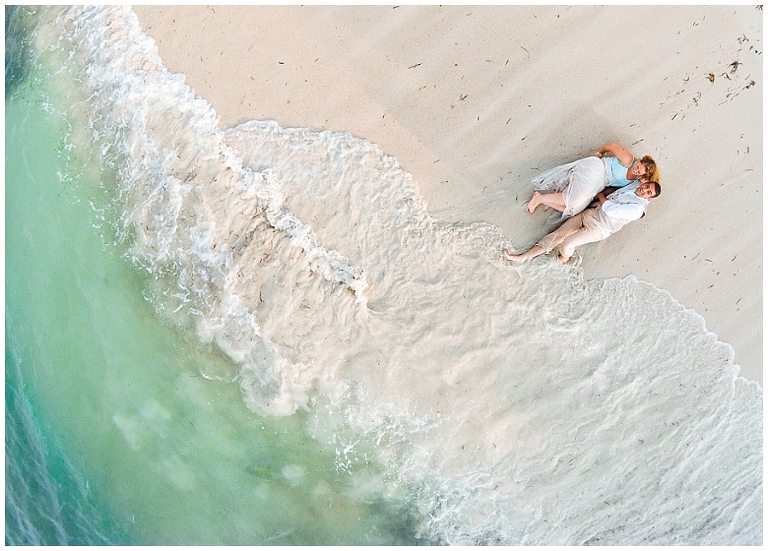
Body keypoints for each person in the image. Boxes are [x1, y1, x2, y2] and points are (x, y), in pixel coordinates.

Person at [504, 180, 661, 264]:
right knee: (557, 234)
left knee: (567, 244)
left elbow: (609, 209)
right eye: (646, 186)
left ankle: (563, 260)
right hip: (591, 212)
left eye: (648, 192)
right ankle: (524, 257)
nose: (644, 189)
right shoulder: (637, 184)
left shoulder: (637, 210)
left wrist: (600, 196)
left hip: (600, 228)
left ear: (649, 198)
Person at [525, 142, 658, 219]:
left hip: (599, 184)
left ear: (642, 176)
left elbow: (650, 189)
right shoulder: (628, 159)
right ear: (639, 160)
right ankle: (539, 199)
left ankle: (540, 197)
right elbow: (611, 145)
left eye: (639, 172)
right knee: (573, 200)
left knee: (574, 210)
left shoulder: (636, 180)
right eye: (637, 166)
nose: (635, 170)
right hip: (597, 169)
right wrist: (599, 153)